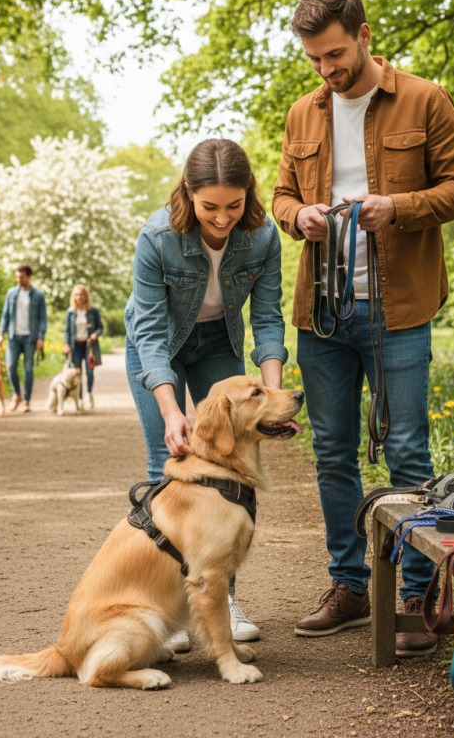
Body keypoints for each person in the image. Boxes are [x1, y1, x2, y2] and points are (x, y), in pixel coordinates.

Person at [272, 0, 454, 656]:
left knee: (407, 453)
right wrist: (295, 215)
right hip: (322, 314)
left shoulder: (425, 98)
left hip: (401, 306)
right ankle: (350, 587)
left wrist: (401, 207)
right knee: (332, 454)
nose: (326, 71)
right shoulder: (303, 114)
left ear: (363, 35)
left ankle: (418, 592)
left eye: (334, 55)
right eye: (314, 61)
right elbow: (279, 192)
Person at [125, 138, 288, 650]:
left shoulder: (261, 237)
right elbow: (151, 333)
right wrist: (173, 412)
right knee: (168, 461)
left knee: (232, 465)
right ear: (188, 193)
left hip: (219, 340)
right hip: (158, 348)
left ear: (248, 195)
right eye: (210, 206)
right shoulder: (157, 237)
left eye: (233, 205)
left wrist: (271, 394)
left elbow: (266, 317)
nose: (222, 218)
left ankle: (223, 596)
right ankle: (172, 604)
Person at [0, 264, 48, 413]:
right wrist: (1, 333)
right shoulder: (11, 293)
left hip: (30, 338)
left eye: (22, 277)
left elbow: (42, 319)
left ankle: (26, 400)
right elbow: (5, 315)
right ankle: (17, 394)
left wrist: (41, 337)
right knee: (11, 366)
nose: (19, 279)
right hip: (13, 336)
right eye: (17, 276)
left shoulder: (38, 295)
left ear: (29, 277)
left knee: (28, 369)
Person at [64, 285, 103, 409]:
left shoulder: (93, 311)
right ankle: (79, 399)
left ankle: (89, 394)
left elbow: (100, 327)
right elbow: (67, 331)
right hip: (75, 346)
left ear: (86, 296)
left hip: (89, 346)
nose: (79, 297)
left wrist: (95, 334)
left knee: (89, 372)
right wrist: (66, 344)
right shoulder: (70, 312)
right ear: (73, 297)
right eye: (76, 295)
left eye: (81, 294)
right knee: (77, 374)